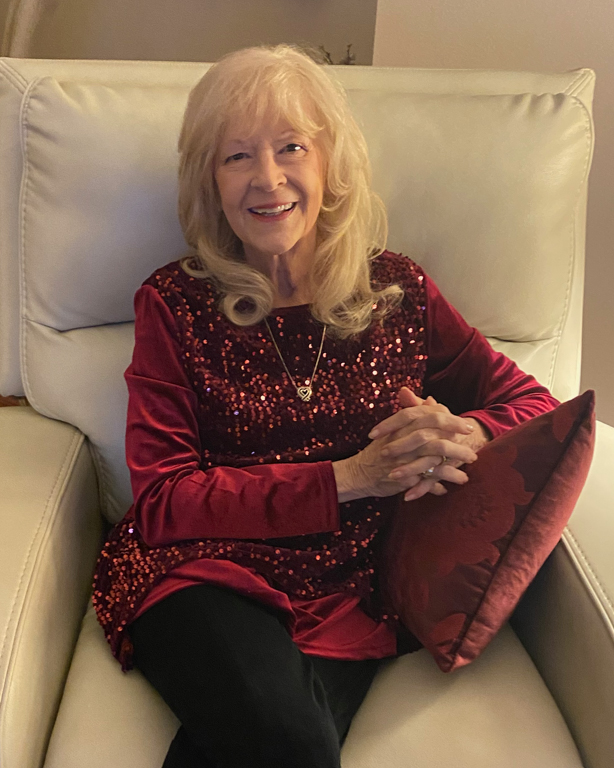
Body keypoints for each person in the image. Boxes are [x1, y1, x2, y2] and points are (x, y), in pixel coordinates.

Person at [93, 44, 559, 768]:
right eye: (237, 156)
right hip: (200, 572)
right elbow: (162, 499)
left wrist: (463, 430)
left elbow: (532, 404)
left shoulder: (397, 293)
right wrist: (351, 478)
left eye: (292, 147)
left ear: (329, 164)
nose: (268, 177)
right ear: (210, 181)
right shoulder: (174, 303)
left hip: (347, 588)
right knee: (294, 744)